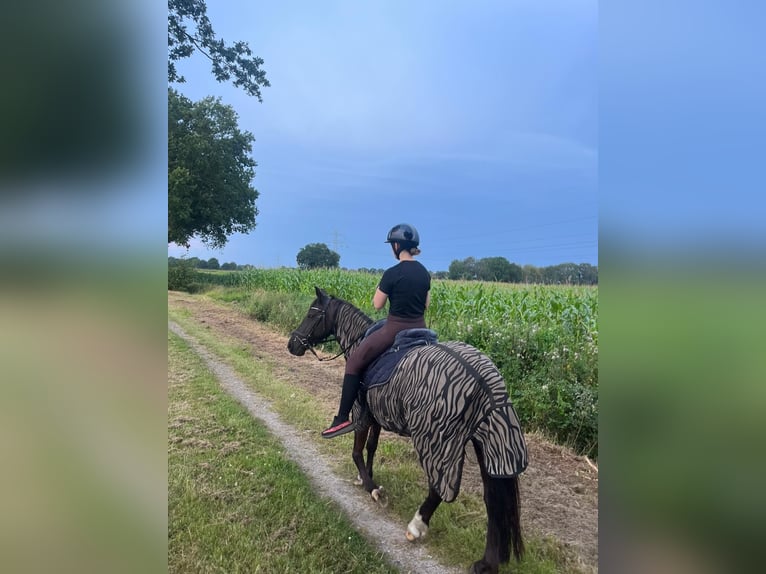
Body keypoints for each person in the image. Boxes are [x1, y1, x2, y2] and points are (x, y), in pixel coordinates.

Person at [321, 223, 431, 438]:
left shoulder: (392, 273)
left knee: (353, 362)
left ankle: (342, 418)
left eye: (392, 245)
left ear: (397, 245)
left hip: (394, 330)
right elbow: (426, 305)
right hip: (422, 329)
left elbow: (377, 305)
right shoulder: (424, 273)